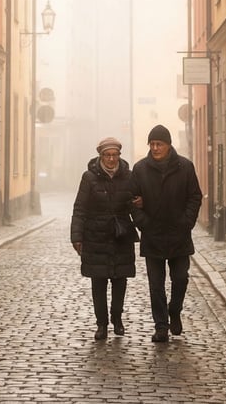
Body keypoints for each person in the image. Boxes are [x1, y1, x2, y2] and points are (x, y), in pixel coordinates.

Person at [131, 124, 203, 343]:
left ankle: (175, 310)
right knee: (156, 284)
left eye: (159, 144)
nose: (155, 148)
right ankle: (161, 326)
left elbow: (195, 197)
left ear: (168, 145)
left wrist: (186, 222)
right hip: (152, 235)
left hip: (178, 234)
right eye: (152, 144)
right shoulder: (140, 169)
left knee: (180, 278)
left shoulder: (185, 167)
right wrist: (143, 223)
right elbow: (132, 201)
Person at [70, 137, 139, 340]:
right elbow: (80, 208)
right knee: (98, 283)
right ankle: (101, 324)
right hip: (95, 236)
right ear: (100, 156)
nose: (111, 159)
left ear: (119, 156)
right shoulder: (89, 178)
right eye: (107, 155)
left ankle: (117, 319)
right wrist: (77, 236)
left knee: (120, 281)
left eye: (114, 155)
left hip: (120, 236)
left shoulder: (129, 177)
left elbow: (135, 204)